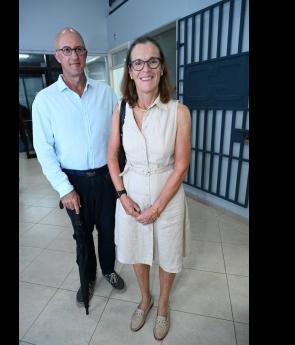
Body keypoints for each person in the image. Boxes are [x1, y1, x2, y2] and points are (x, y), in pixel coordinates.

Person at [32, 27, 125, 307]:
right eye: (67, 50)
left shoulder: (106, 93)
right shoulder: (45, 101)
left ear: (85, 53)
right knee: (82, 236)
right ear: (57, 55)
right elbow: (44, 150)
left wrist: (122, 176)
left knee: (109, 231)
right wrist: (64, 189)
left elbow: (119, 137)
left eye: (79, 49)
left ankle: (108, 270)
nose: (75, 56)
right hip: (74, 182)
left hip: (107, 176)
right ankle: (88, 278)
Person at [107, 36, 191, 341]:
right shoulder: (120, 109)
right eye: (137, 62)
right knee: (137, 252)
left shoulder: (179, 111)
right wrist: (122, 195)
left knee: (168, 254)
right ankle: (145, 298)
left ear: (162, 68)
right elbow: (111, 156)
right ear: (129, 71)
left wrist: (157, 207)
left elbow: (181, 165)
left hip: (167, 197)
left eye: (152, 61)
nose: (145, 68)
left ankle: (164, 305)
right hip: (131, 196)